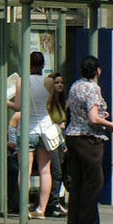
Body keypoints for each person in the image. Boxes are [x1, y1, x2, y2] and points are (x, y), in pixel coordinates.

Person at [65, 55, 113, 224]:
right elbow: (93, 118)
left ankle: (76, 219)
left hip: (72, 136)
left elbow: (72, 108)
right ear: (98, 71)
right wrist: (110, 124)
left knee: (78, 179)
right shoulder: (93, 88)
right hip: (89, 139)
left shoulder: (75, 86)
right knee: (94, 180)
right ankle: (87, 221)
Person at [12, 51, 53, 219]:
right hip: (46, 130)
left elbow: (18, 106)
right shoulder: (49, 81)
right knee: (45, 171)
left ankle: (24, 208)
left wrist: (5, 101)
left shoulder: (22, 81)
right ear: (43, 65)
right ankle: (41, 209)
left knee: (25, 171)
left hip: (27, 130)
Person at [45, 72, 68, 216]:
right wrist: (58, 124)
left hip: (60, 140)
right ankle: (52, 203)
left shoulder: (61, 102)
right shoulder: (48, 103)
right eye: (57, 82)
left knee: (60, 171)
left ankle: (56, 201)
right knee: (56, 171)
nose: (60, 85)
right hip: (50, 140)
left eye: (61, 83)